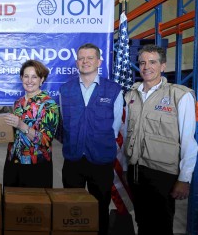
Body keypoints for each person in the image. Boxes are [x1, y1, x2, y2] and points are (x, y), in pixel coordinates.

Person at [123, 44, 198, 235]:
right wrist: (125, 168)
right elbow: (125, 135)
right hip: (136, 171)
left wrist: (184, 179)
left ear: (163, 66)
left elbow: (189, 141)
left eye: (153, 62)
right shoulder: (130, 96)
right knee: (142, 221)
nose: (147, 66)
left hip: (163, 175)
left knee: (162, 226)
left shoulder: (179, 96)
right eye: (142, 62)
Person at [59, 43, 123, 235]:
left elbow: (116, 126)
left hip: (101, 160)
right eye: (81, 58)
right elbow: (64, 122)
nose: (85, 62)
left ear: (99, 61)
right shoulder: (65, 89)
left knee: (100, 208)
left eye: (90, 58)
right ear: (76, 61)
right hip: (73, 159)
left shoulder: (114, 90)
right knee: (72, 209)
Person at [3, 59, 59, 188]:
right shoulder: (18, 103)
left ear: (42, 79)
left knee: (34, 206)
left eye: (34, 77)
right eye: (26, 76)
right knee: (11, 204)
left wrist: (21, 125)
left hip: (36, 165)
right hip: (13, 161)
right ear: (21, 78)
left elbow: (45, 140)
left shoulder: (49, 105)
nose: (29, 81)